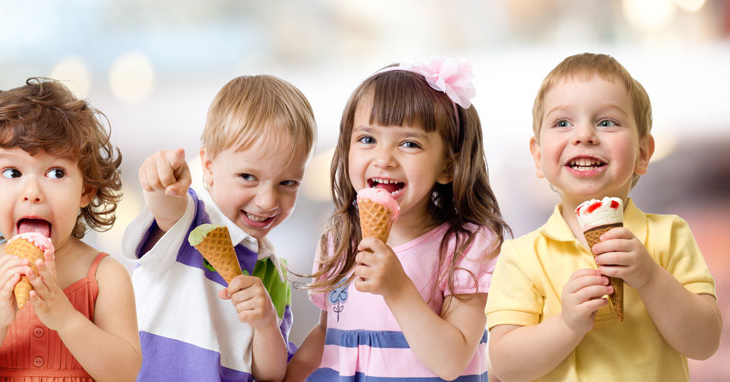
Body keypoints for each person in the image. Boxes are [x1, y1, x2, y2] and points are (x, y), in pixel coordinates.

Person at [485, 53, 723, 381]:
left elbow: (704, 342)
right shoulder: (522, 256)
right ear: (539, 158)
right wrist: (566, 325)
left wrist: (651, 278)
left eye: (606, 122)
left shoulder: (670, 234)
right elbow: (504, 366)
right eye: (562, 122)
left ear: (642, 153)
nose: (584, 135)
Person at [285, 58, 510, 382]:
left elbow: (451, 362)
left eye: (409, 143)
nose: (384, 158)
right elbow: (325, 335)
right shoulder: (339, 240)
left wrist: (398, 288)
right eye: (367, 139)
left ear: (448, 166)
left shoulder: (468, 247)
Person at [0, 78, 141, 381]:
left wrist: (67, 319)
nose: (32, 191)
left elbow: (125, 372)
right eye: (12, 172)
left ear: (85, 189)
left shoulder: (105, 276)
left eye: (56, 172)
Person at [121, 74, 317, 382]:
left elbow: (271, 375)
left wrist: (266, 323)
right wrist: (161, 183)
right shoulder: (189, 220)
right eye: (248, 177)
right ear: (209, 169)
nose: (267, 201)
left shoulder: (274, 275)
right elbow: (166, 209)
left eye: (287, 183)